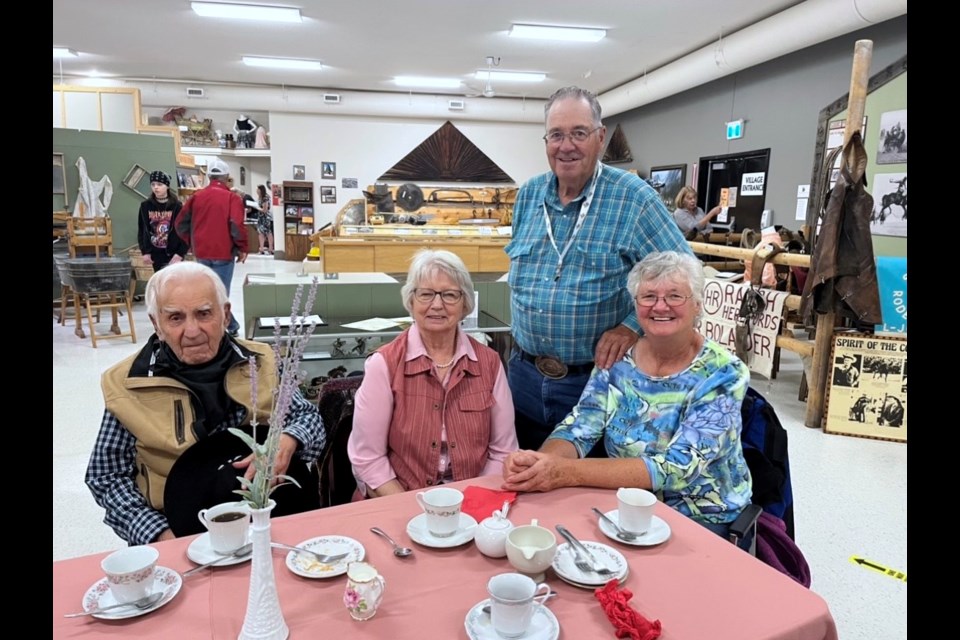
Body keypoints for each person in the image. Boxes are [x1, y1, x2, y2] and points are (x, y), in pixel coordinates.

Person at [502, 251, 752, 537]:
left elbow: (679, 467)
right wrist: (540, 465)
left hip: (699, 516)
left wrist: (564, 472)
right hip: (621, 506)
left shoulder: (724, 373)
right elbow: (582, 425)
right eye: (648, 297)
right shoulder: (619, 360)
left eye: (674, 296)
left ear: (697, 304)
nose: (660, 306)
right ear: (635, 304)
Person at [505, 86, 691, 452]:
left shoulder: (633, 198)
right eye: (556, 135)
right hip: (523, 376)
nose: (566, 145)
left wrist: (631, 326)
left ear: (600, 137)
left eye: (578, 133)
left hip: (596, 381)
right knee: (526, 487)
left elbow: (684, 274)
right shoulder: (528, 196)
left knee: (589, 496)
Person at [85, 262, 325, 544]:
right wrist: (159, 534)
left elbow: (308, 418)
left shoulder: (264, 361)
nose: (192, 330)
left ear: (225, 314)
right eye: (175, 318)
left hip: (275, 516)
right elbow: (106, 476)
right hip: (179, 526)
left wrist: (288, 439)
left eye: (204, 313)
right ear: (156, 324)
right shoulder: (127, 384)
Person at [348, 249, 518, 498]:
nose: (437, 305)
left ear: (465, 304)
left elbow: (502, 452)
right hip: (399, 497)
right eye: (426, 294)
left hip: (472, 498)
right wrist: (411, 509)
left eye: (450, 295)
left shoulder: (490, 363)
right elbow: (368, 459)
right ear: (411, 301)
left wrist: (471, 504)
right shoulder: (384, 364)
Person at [175, 158, 248, 337]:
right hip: (223, 253)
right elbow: (236, 224)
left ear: (208, 176)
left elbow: (180, 223)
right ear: (226, 177)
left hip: (202, 253)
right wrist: (242, 247)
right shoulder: (232, 198)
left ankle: (228, 326)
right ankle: (224, 328)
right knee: (220, 295)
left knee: (206, 293)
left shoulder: (197, 197)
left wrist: (191, 242)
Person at [137, 170, 188, 272]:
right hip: (155, 253)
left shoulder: (177, 206)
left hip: (173, 252)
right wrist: (145, 252)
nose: (155, 187)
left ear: (167, 186)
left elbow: (185, 231)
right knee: (160, 282)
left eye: (159, 184)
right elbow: (142, 230)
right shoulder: (145, 206)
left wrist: (180, 253)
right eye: (153, 184)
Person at [256, 184, 274, 255]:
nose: (257, 191)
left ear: (261, 190)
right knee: (260, 233)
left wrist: (257, 208)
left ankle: (270, 249)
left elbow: (265, 210)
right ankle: (262, 249)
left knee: (268, 233)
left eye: (258, 189)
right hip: (260, 218)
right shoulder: (260, 197)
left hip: (266, 218)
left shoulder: (265, 197)